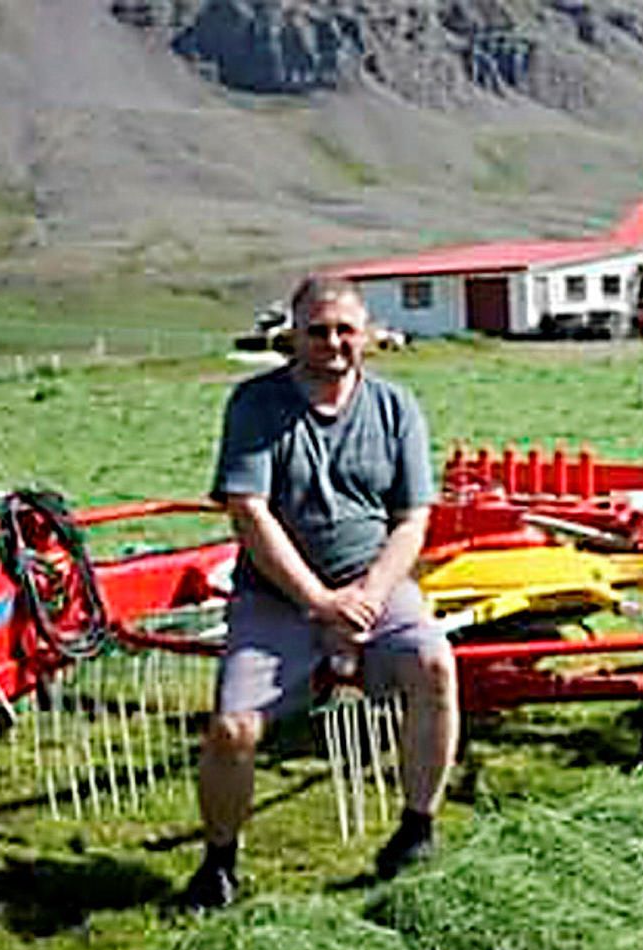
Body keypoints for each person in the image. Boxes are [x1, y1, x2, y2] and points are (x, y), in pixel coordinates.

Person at [184, 275, 458, 908]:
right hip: (277, 595)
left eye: (345, 331)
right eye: (318, 331)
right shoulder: (256, 405)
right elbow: (249, 512)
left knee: (435, 666)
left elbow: (412, 520)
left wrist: (367, 594)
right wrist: (319, 602)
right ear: (293, 336)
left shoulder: (396, 409)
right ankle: (219, 863)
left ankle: (417, 830)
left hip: (375, 584)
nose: (333, 343)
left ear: (365, 336)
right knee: (232, 729)